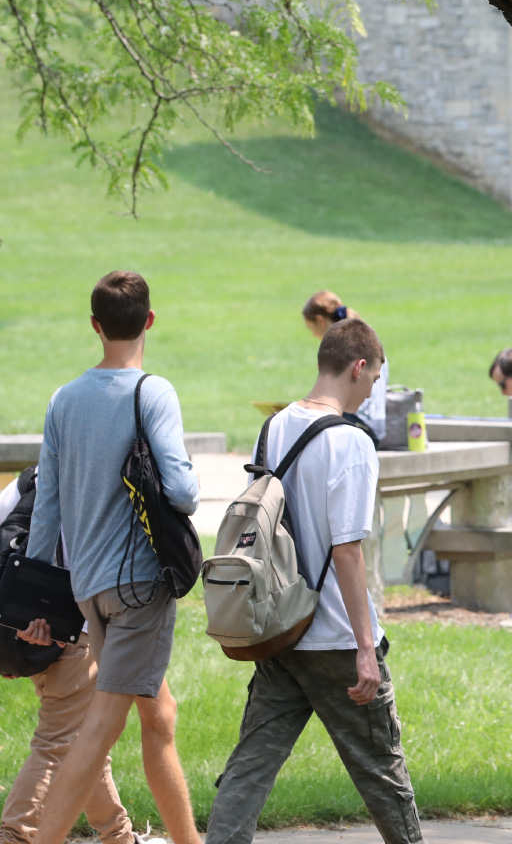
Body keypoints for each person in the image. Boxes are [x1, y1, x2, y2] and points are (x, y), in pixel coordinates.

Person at [205, 318, 421, 844]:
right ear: (358, 366)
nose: (371, 393)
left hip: (281, 626)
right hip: (336, 640)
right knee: (383, 776)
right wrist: (366, 647)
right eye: (372, 381)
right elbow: (347, 551)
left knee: (250, 766)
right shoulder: (351, 442)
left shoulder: (276, 425)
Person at [20, 270, 201, 844]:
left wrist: (34, 594)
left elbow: (45, 508)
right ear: (148, 321)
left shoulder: (63, 400)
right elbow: (183, 492)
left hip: (89, 590)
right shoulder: (155, 392)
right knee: (100, 728)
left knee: (158, 714)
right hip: (141, 586)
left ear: (96, 326)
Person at [0, 473, 153, 844]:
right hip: (79, 631)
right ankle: (13, 837)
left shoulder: (21, 487)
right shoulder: (92, 483)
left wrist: (12, 632)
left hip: (33, 634)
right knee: (57, 743)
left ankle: (119, 837)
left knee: (86, 744)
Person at [302, 291, 389, 446]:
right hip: (371, 422)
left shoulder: (345, 348)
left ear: (320, 321)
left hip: (361, 421)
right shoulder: (364, 338)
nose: (313, 334)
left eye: (311, 328)